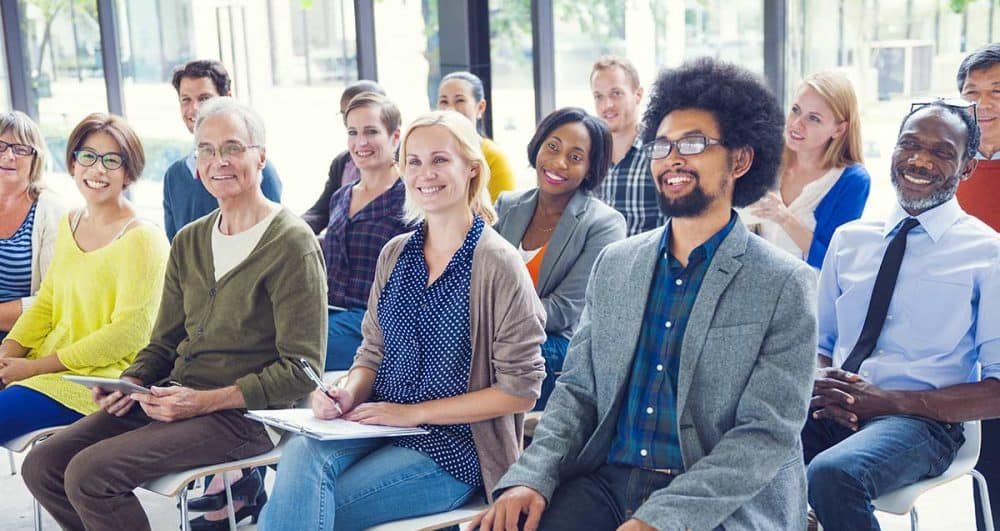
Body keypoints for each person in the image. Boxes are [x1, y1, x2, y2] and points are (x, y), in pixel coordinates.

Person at [472, 58, 818, 531]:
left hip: (721, 499)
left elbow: (764, 437)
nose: (673, 158)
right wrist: (531, 476)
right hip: (609, 483)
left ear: (740, 160)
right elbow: (577, 392)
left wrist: (659, 520)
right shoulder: (617, 265)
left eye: (693, 144)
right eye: (661, 145)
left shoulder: (784, 283)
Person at [20, 97, 326, 531]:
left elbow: (302, 370)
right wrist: (131, 382)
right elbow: (163, 341)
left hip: (247, 415)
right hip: (173, 397)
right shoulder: (190, 240)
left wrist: (203, 401)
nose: (219, 160)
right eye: (206, 149)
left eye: (232, 148)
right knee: (43, 465)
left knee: (90, 474)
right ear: (196, 164)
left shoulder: (291, 243)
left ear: (261, 156)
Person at [260, 110, 546, 530]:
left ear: (471, 169)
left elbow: (521, 392)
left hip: (453, 447)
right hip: (376, 423)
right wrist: (347, 393)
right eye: (414, 161)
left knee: (303, 508)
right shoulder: (395, 253)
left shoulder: (497, 264)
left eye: (439, 160)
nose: (425, 173)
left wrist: (413, 414)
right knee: (301, 455)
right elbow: (371, 352)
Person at [804, 101, 999, 531]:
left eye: (942, 152)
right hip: (832, 407)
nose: (920, 160)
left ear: (966, 168)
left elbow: (997, 389)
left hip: (922, 422)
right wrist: (820, 381)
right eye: (909, 145)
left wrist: (890, 401)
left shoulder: (988, 253)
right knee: (740, 441)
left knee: (833, 476)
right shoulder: (850, 239)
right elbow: (818, 346)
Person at [0, 113, 169, 443]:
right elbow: (47, 303)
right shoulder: (71, 222)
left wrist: (33, 368)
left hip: (98, 383)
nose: (98, 169)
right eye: (88, 156)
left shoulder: (143, 238)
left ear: (129, 172)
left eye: (111, 160)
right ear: (73, 163)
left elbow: (128, 335)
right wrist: (7, 353)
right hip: (48, 369)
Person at [494, 107, 625, 410]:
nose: (558, 162)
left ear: (590, 169)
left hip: (555, 345)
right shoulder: (508, 206)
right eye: (552, 147)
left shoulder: (604, 224)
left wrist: (491, 321)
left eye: (575, 157)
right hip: (499, 337)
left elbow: (565, 311)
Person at [322, 92, 412, 371]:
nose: (361, 142)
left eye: (371, 132)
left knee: (299, 348)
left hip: (376, 324)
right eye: (353, 132)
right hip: (328, 313)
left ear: (395, 137)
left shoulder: (410, 198)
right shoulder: (340, 196)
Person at [747, 71, 871, 268]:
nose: (796, 124)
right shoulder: (767, 155)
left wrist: (784, 217)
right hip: (758, 286)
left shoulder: (851, 181)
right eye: (796, 110)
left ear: (839, 130)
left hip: (808, 293)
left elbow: (831, 260)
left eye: (813, 118)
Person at [163, 59, 282, 241]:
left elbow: (274, 233)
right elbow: (174, 247)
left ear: (227, 98)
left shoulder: (256, 169)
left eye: (204, 99)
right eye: (186, 100)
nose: (194, 109)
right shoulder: (174, 176)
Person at [957, 42, 1000, 531]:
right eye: (973, 93)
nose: (983, 104)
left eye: (996, 92)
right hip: (964, 331)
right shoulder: (951, 162)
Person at [0, 111, 65, 342]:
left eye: (20, 149)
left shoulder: (51, 210)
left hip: (21, 340)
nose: (9, 156)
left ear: (34, 158)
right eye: (1, 146)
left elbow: (53, 301)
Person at [302, 79, 387, 234]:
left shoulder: (409, 162)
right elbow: (321, 211)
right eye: (346, 114)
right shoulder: (342, 163)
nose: (352, 119)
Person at [591, 55, 662, 236]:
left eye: (616, 93)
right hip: (596, 263)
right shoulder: (589, 157)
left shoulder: (660, 155)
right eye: (598, 96)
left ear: (638, 95)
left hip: (644, 263)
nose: (607, 105)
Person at [436, 71, 515, 201]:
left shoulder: (494, 158)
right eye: (444, 101)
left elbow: (505, 215)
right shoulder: (429, 154)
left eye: (459, 100)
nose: (450, 109)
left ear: (480, 107)